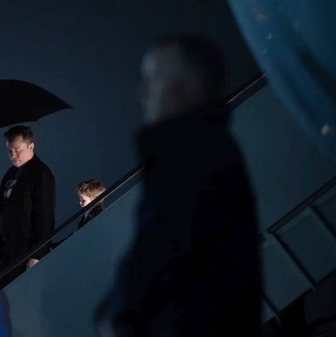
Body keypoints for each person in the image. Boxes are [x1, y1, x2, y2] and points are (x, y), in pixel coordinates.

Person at [97, 36, 261, 336]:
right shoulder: (208, 149)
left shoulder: (188, 154)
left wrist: (118, 312)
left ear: (193, 86)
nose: (142, 92)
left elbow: (161, 245)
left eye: (154, 78)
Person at [0, 125, 56, 296]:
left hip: (26, 249)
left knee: (0, 293)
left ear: (31, 147)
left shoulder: (41, 174)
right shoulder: (11, 173)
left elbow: (45, 215)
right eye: (9, 150)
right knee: (1, 294)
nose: (13, 155)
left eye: (17, 150)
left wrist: (38, 253)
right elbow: (8, 208)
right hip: (9, 248)